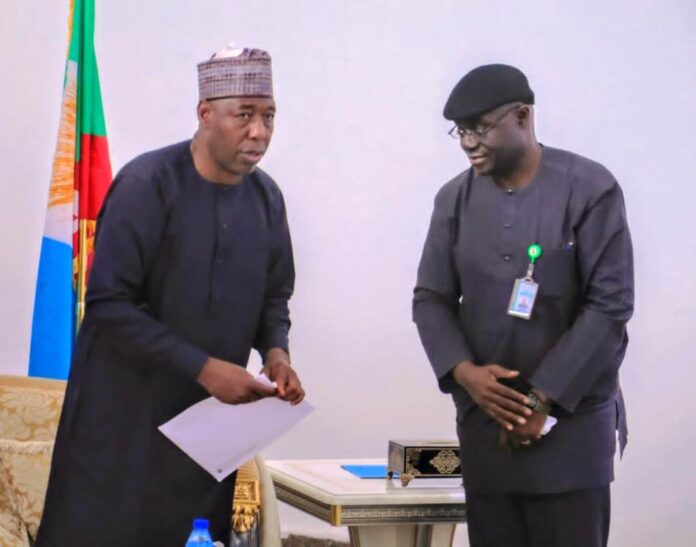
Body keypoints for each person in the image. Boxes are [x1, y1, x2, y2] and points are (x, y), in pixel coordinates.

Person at [36, 45, 304, 546]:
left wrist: (276, 353)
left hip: (204, 434)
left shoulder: (267, 198)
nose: (260, 132)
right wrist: (206, 367)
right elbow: (110, 305)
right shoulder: (146, 185)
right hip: (122, 425)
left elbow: (274, 297)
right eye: (243, 115)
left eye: (269, 116)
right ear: (205, 114)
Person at [412, 64, 633, 547]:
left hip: (570, 433)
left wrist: (541, 399)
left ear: (523, 116)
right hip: (487, 430)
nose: (469, 142)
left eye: (480, 128)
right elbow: (431, 298)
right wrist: (467, 374)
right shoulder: (454, 200)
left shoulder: (590, 189)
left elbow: (609, 308)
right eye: (460, 131)